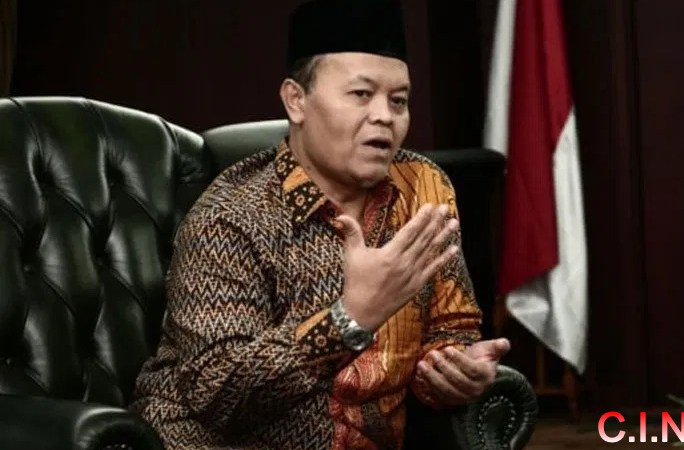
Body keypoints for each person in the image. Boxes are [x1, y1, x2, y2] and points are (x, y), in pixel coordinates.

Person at [131, 0, 510, 448]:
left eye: (399, 101)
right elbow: (218, 394)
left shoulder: (423, 189)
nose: (384, 116)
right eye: (361, 94)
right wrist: (349, 320)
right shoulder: (231, 216)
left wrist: (453, 370)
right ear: (296, 100)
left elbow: (451, 328)